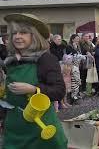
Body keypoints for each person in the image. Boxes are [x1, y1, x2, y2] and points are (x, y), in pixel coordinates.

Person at [2, 13, 67, 148]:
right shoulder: (11, 61)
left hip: (40, 129)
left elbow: (59, 91)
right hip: (14, 128)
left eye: (23, 32)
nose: (18, 36)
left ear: (34, 36)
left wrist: (33, 89)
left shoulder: (45, 59)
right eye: (14, 33)